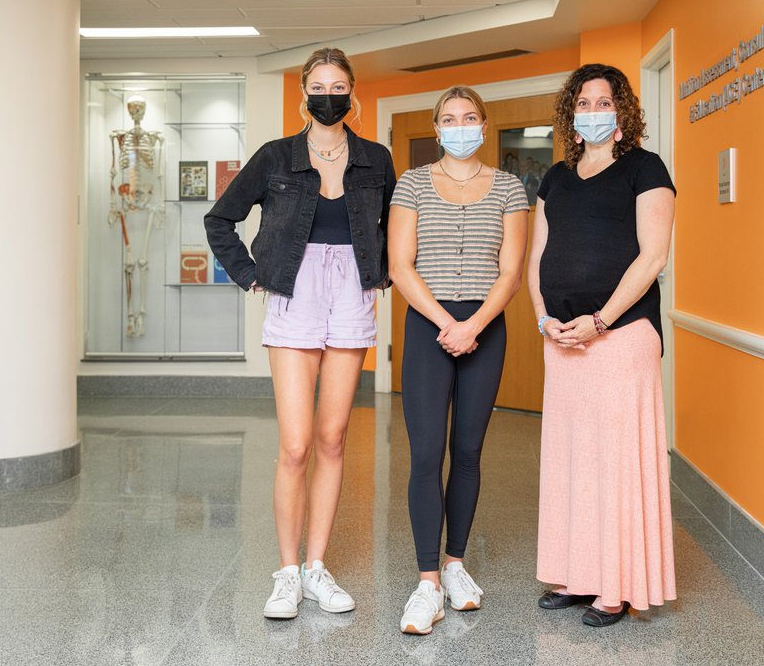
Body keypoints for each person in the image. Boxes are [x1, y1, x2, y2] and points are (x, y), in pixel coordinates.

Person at [205, 47, 397, 620]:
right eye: (319, 85)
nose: (329, 95)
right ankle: (286, 573)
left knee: (333, 440)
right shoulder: (275, 157)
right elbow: (220, 220)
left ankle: (317, 566)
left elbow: (394, 225)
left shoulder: (376, 160)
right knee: (294, 445)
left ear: (352, 93)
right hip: (295, 289)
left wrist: (382, 273)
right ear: (303, 95)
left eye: (339, 87)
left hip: (353, 292)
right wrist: (248, 275)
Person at [528, 63, 677, 628]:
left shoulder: (645, 168)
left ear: (623, 112)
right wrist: (546, 320)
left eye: (603, 102)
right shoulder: (556, 178)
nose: (593, 112)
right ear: (572, 113)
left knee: (614, 462)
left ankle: (616, 585)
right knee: (572, 460)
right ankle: (577, 574)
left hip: (620, 336)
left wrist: (600, 319)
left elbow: (653, 256)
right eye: (583, 103)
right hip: (562, 340)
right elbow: (539, 257)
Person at [388, 85, 529, 634]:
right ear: (437, 126)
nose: (461, 125)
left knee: (468, 452)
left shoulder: (510, 188)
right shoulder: (412, 183)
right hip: (429, 326)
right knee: (427, 454)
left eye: (470, 117)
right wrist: (447, 324)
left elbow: (510, 271)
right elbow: (401, 266)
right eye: (450, 118)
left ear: (485, 125)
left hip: (485, 329)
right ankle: (426, 583)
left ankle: (455, 566)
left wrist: (474, 325)